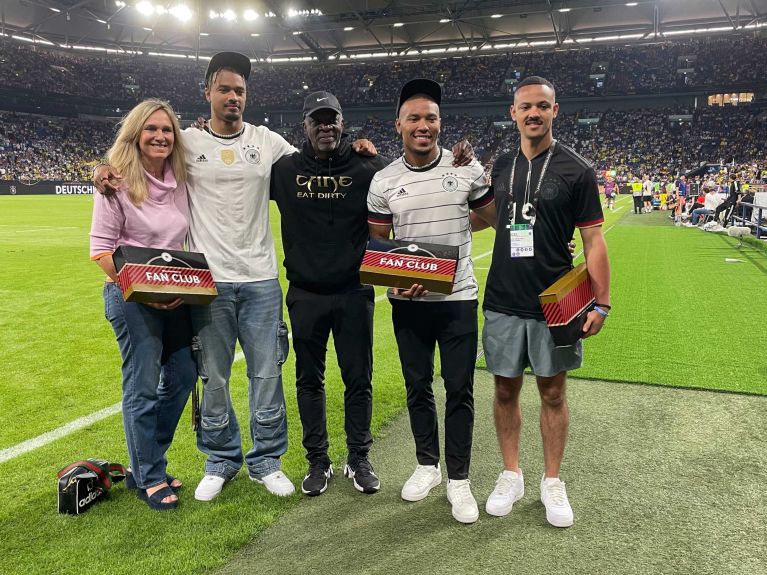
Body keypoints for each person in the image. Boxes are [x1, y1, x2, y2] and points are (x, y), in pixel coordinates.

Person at [95, 52, 298, 501]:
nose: (233, 96)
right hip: (207, 283)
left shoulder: (267, 141)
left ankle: (267, 460)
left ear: (247, 96)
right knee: (214, 377)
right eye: (224, 88)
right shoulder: (186, 141)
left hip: (262, 278)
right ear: (206, 93)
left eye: (240, 90)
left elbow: (318, 164)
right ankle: (221, 459)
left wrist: (358, 151)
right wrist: (103, 168)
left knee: (267, 374)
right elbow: (139, 149)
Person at [477, 76, 610, 528]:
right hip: (503, 299)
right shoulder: (500, 164)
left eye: (542, 106)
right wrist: (459, 183)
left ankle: (552, 480)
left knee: (553, 392)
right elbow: (491, 219)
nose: (533, 113)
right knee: (503, 388)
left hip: (557, 304)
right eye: (525, 106)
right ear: (512, 113)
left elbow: (593, 240)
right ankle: (511, 473)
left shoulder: (577, 169)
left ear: (556, 110)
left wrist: (602, 303)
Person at [367, 79, 497, 524]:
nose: (424, 126)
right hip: (408, 301)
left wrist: (478, 173)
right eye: (415, 118)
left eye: (432, 118)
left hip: (458, 298)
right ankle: (428, 466)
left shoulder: (464, 169)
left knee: (459, 389)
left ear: (441, 123)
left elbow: (494, 219)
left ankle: (459, 478)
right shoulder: (384, 180)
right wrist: (399, 279)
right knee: (417, 387)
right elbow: (377, 242)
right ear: (399, 124)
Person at [269, 92, 390, 496]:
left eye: (332, 120)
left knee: (359, 379)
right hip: (305, 293)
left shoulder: (367, 164)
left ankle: (358, 457)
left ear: (343, 123)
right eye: (317, 120)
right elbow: (223, 181)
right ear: (304, 125)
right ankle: (318, 461)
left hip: (355, 291)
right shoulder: (284, 170)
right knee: (309, 380)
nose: (325, 127)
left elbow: (412, 178)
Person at [89, 98, 197, 511]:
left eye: (167, 130)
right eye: (151, 129)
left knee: (184, 374)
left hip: (175, 295)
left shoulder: (180, 178)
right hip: (131, 298)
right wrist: (147, 290)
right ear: (135, 135)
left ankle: (143, 461)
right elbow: (100, 253)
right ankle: (150, 475)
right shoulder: (116, 183)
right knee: (142, 386)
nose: (160, 136)